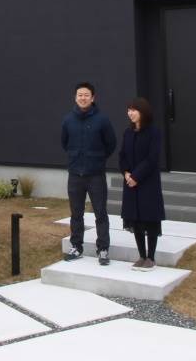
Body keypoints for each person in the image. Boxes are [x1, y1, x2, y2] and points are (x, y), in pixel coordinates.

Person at [61, 81, 117, 265]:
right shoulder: (68, 120)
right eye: (80, 95)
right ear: (75, 97)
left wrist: (98, 159)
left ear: (93, 98)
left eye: (86, 95)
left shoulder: (102, 120)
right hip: (75, 174)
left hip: (96, 175)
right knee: (76, 213)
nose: (83, 98)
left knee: (100, 213)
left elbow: (111, 144)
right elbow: (64, 143)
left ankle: (103, 249)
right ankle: (76, 246)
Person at [119, 97, 165, 270]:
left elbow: (152, 158)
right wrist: (126, 173)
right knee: (135, 219)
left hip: (147, 182)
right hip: (130, 183)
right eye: (128, 110)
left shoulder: (154, 132)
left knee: (150, 218)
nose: (130, 113)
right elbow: (122, 155)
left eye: (134, 110)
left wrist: (136, 176)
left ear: (143, 112)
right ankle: (141, 256)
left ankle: (151, 257)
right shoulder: (128, 132)